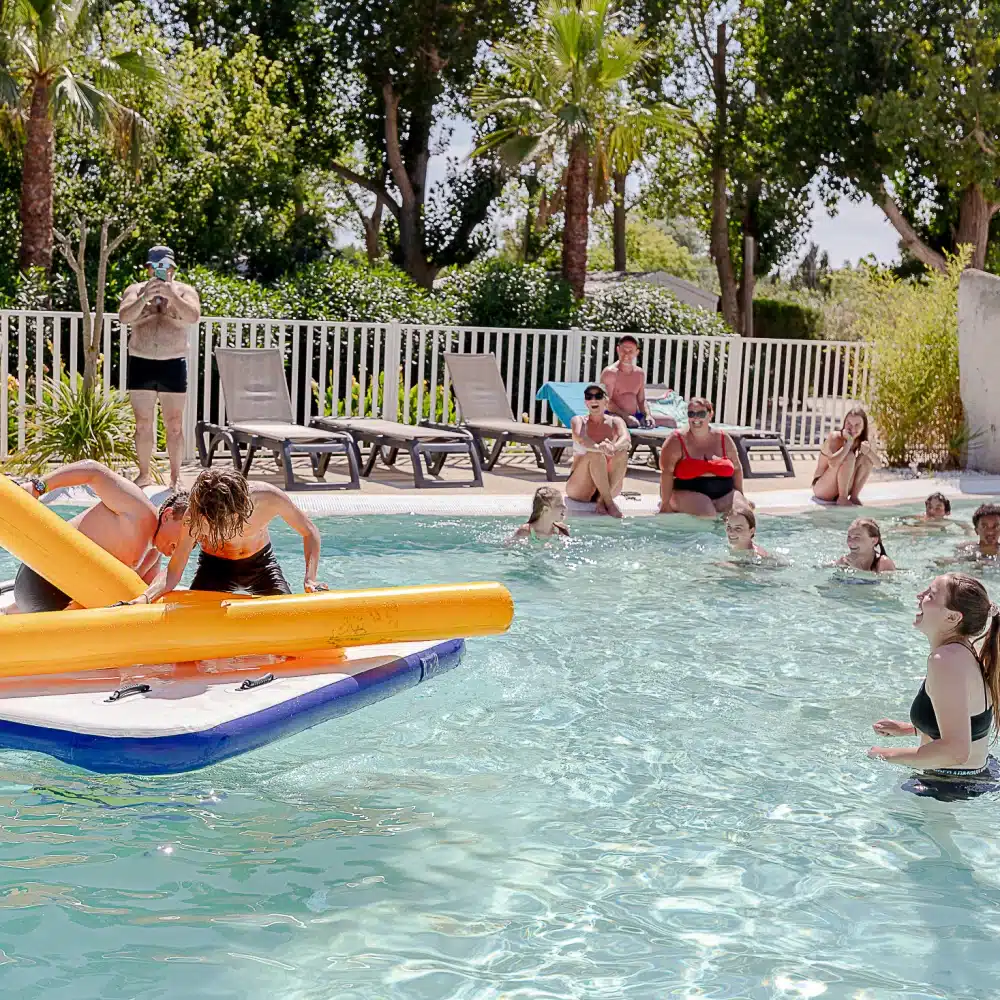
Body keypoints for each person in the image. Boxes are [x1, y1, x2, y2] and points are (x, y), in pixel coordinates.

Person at [869, 574, 1000, 797]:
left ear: (952, 618)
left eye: (930, 594)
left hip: (948, 784)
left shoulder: (945, 661)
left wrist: (883, 754)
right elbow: (965, 720)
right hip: (975, 774)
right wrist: (909, 729)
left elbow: (955, 751)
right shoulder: (964, 651)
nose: (920, 596)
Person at [4, 461, 188, 613]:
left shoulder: (153, 556)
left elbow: (141, 599)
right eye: (183, 534)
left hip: (56, 604)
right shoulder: (140, 510)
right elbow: (94, 471)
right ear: (168, 515)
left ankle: (12, 611)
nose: (183, 545)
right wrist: (38, 487)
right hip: (40, 574)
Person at [125, 468, 328, 604]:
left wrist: (310, 579)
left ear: (238, 510)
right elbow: (173, 572)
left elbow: (309, 531)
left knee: (286, 618)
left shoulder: (269, 499)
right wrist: (144, 598)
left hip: (261, 566)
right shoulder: (194, 516)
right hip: (215, 567)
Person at [118, 245, 201, 491]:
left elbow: (193, 316)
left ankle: (175, 478)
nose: (159, 271)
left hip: (172, 363)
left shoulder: (185, 292)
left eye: (164, 266)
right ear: (148, 268)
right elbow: (124, 316)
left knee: (174, 423)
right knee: (142, 422)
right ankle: (144, 474)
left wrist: (172, 295)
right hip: (141, 361)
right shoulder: (135, 290)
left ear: (173, 268)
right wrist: (145, 297)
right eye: (154, 267)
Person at [659, 397, 745, 517]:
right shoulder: (676, 440)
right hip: (687, 492)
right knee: (707, 514)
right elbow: (666, 473)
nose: (696, 418)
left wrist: (740, 495)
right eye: (691, 414)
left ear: (710, 415)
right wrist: (665, 504)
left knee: (743, 513)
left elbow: (737, 469)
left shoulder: (723, 438)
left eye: (701, 413)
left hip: (724, 494)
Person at [565, 384, 631, 519]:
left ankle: (603, 499)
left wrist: (613, 447)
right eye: (589, 397)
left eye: (598, 396)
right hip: (580, 488)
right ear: (586, 402)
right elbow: (581, 438)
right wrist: (600, 448)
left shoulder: (616, 421)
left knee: (623, 453)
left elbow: (626, 439)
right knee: (595, 454)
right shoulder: (579, 421)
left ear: (606, 401)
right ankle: (609, 504)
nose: (593, 400)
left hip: (610, 486)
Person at [811, 406, 877, 506]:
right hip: (823, 489)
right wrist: (848, 443)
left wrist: (869, 451)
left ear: (864, 426)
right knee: (849, 456)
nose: (852, 428)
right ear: (844, 423)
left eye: (857, 425)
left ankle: (854, 497)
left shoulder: (865, 440)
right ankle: (843, 498)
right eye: (849, 424)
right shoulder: (835, 437)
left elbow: (878, 464)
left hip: (844, 485)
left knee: (866, 458)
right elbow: (833, 463)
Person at [599, 335, 670, 428]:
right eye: (623, 350)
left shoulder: (639, 373)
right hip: (612, 414)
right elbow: (606, 401)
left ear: (637, 352)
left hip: (634, 415)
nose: (626, 354)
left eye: (630, 351)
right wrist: (625, 416)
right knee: (620, 422)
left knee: (670, 421)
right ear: (618, 349)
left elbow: (641, 400)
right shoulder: (610, 373)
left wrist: (648, 415)